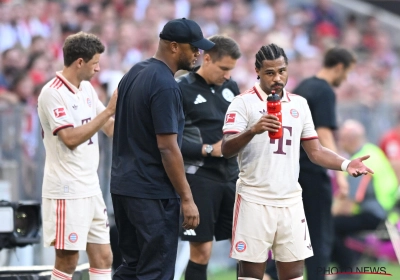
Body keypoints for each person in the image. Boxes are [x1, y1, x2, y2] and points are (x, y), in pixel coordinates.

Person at [221, 43, 373, 280]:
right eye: (270, 72)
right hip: (254, 198)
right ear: (257, 71)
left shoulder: (299, 104)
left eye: (282, 71)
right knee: (251, 274)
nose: (277, 78)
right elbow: (226, 148)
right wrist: (253, 130)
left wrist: (345, 164)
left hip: (291, 200)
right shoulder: (243, 103)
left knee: (293, 273)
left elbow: (315, 151)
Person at [110, 18, 214, 280]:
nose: (198, 54)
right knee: (155, 271)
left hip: (124, 186)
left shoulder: (134, 72)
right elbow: (167, 148)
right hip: (151, 191)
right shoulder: (166, 84)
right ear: (175, 46)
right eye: (194, 48)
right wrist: (187, 198)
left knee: (131, 267)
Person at [265, 47, 357, 280]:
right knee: (319, 236)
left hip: (290, 173)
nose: (345, 79)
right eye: (346, 73)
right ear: (338, 67)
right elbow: (323, 135)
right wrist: (341, 173)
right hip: (312, 173)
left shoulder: (303, 87)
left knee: (290, 236)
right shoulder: (324, 91)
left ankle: (267, 275)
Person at [38, 32, 117, 280]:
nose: (98, 68)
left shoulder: (86, 89)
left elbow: (110, 128)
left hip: (90, 187)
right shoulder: (52, 93)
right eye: (95, 63)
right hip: (67, 189)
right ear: (80, 62)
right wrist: (108, 112)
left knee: (104, 257)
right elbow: (70, 139)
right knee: (68, 260)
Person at [176, 34, 241, 280]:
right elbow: (168, 140)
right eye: (224, 68)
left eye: (231, 70)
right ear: (207, 58)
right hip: (200, 177)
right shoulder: (181, 88)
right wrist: (207, 149)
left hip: (232, 176)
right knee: (202, 251)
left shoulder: (231, 87)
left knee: (246, 247)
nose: (227, 75)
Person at [331, 119, 398, 274]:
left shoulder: (360, 161)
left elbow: (350, 202)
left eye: (341, 138)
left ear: (350, 139)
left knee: (330, 225)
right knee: (337, 225)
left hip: (376, 215)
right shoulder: (373, 151)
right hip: (388, 213)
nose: (340, 143)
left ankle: (347, 271)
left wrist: (329, 214)